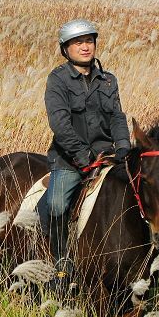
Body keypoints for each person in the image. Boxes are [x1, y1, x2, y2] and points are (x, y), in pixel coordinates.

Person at [36, 19, 131, 296]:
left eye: (89, 41)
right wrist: (83, 156)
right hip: (70, 160)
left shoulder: (108, 80)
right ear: (65, 49)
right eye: (78, 42)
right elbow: (60, 124)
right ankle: (62, 265)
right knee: (54, 205)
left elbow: (117, 116)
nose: (85, 46)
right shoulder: (58, 79)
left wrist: (123, 146)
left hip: (107, 157)